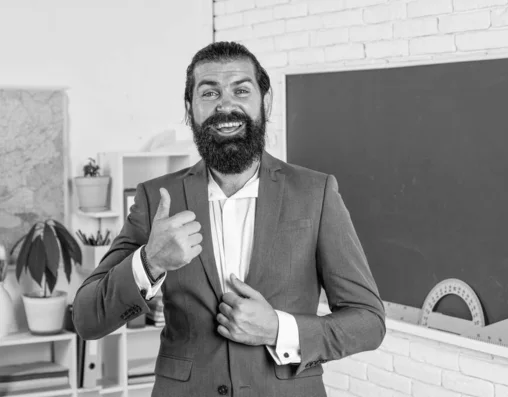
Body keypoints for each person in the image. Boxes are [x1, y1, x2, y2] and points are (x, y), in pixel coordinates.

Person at [72, 41, 385, 397]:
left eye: (241, 90)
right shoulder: (156, 199)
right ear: (190, 110)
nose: (226, 105)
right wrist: (151, 262)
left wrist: (277, 329)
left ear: (265, 103)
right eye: (209, 93)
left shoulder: (316, 193)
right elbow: (87, 318)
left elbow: (368, 321)